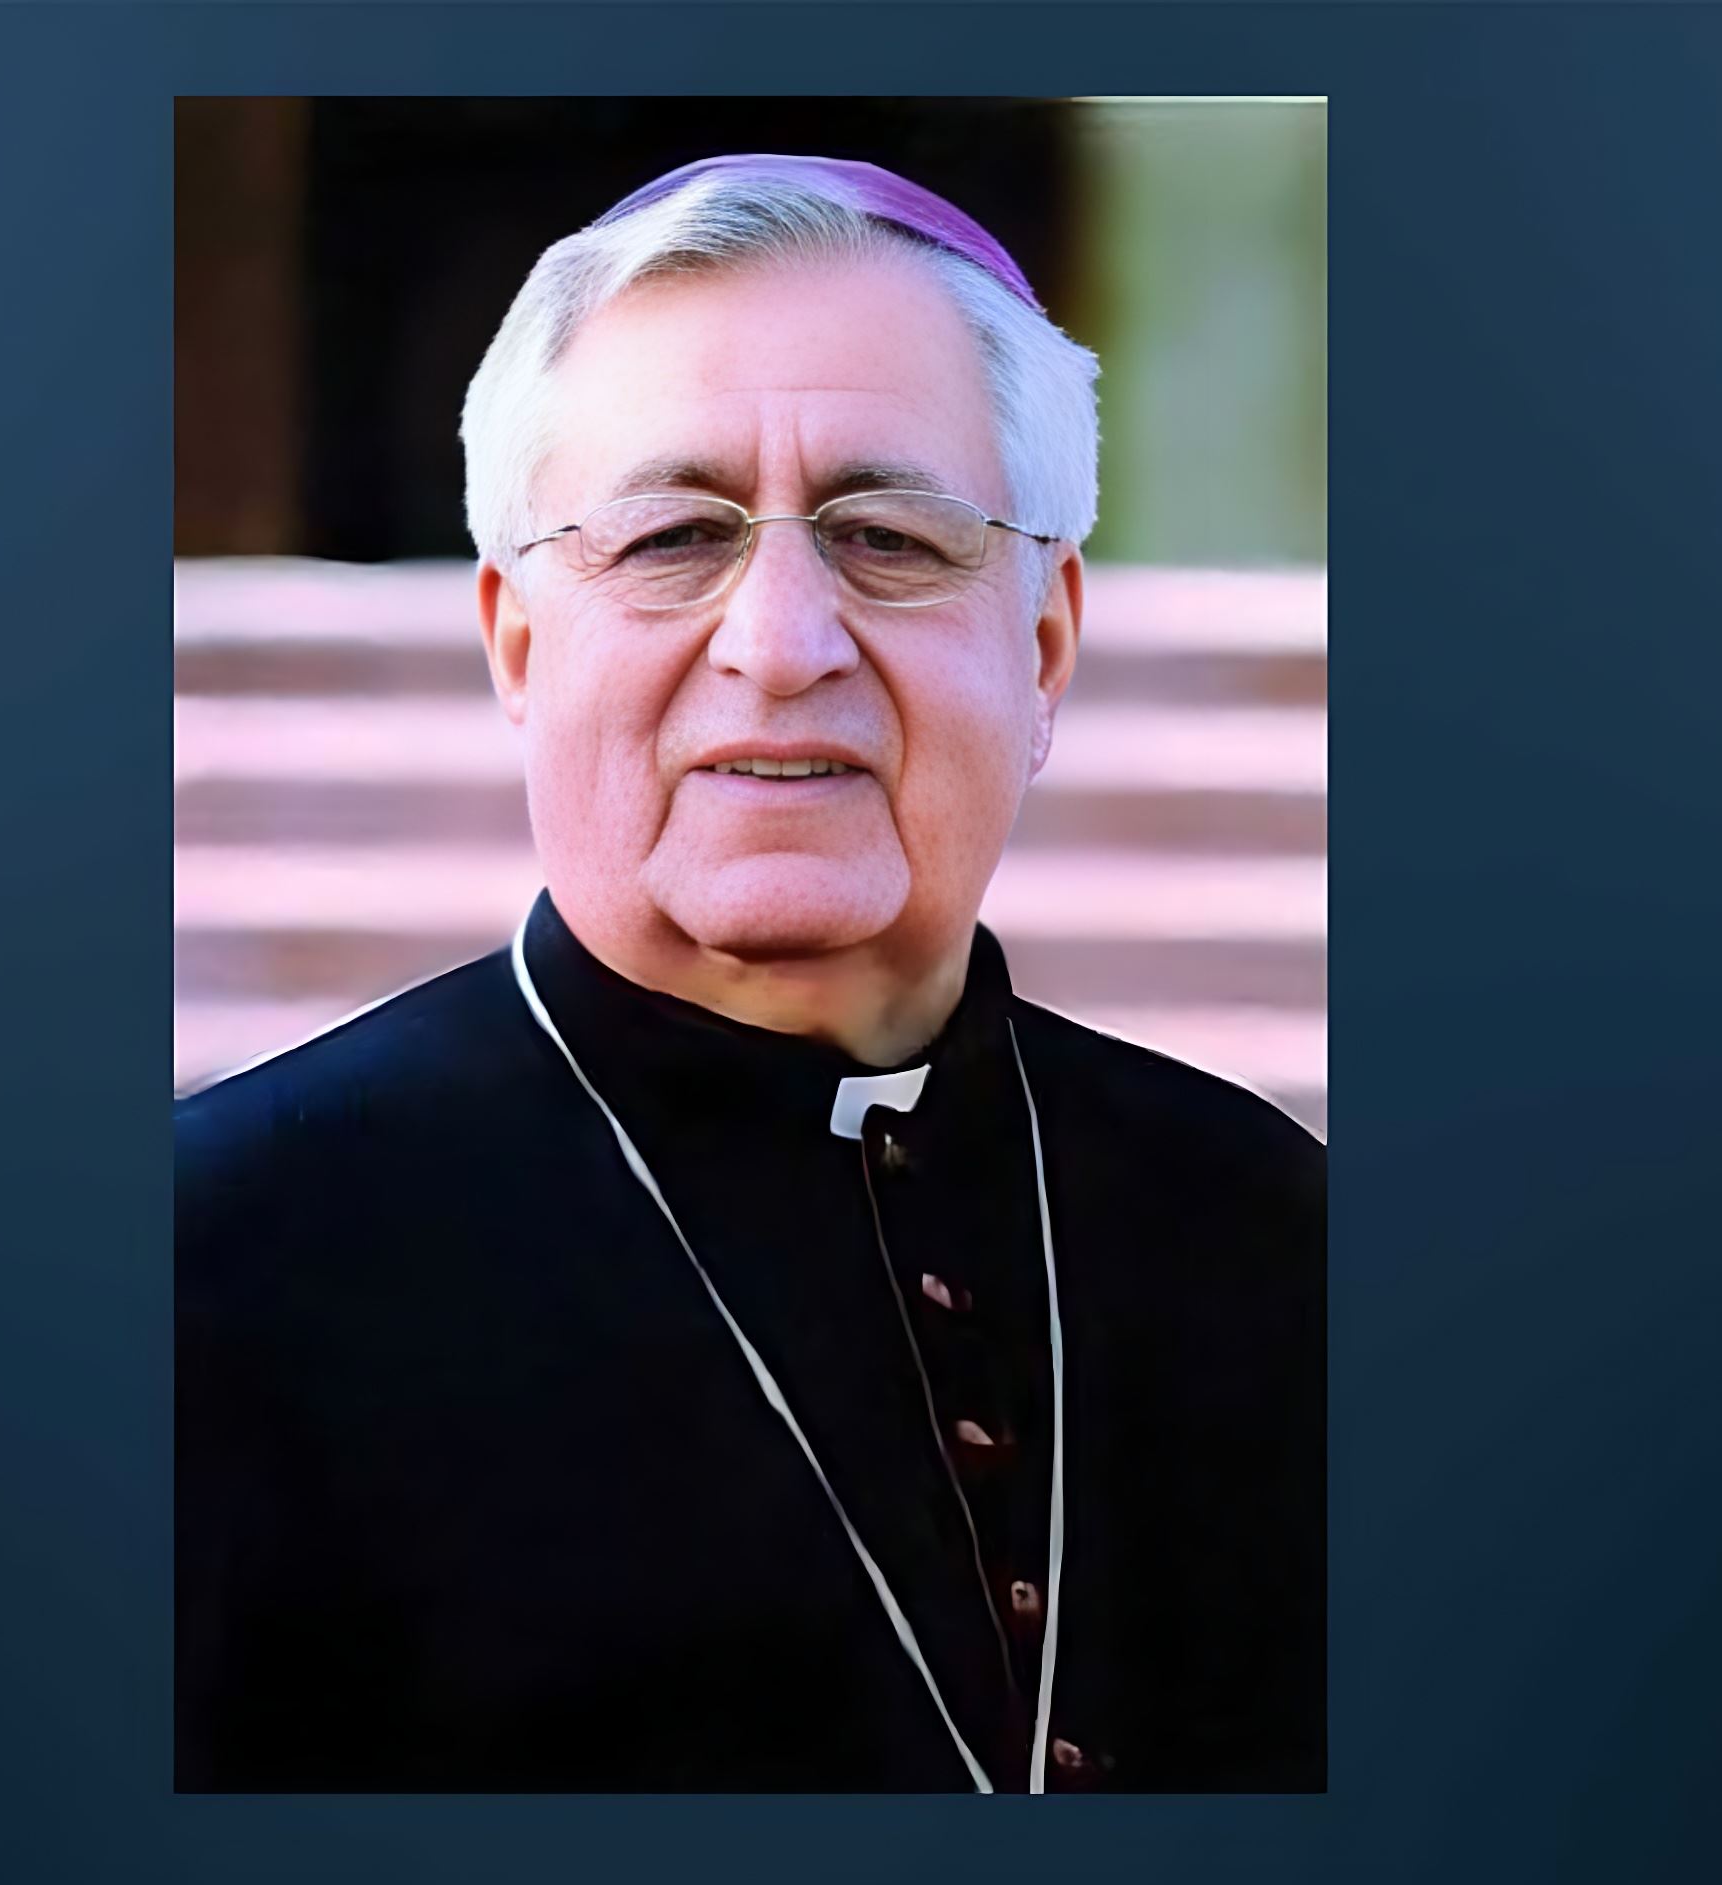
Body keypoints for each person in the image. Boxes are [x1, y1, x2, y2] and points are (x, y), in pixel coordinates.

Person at [176, 154, 1323, 1793]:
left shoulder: (1279, 1233)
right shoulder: (204, 1267)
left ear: (1045, 645)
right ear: (518, 644)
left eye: (889, 537)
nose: (782, 644)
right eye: (673, 537)